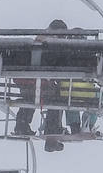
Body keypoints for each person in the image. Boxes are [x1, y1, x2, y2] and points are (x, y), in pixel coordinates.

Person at [13, 18, 71, 153]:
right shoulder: (56, 46)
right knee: (58, 97)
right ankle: (52, 130)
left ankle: (21, 125)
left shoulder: (35, 42)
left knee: (29, 97)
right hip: (43, 84)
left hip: (26, 82)